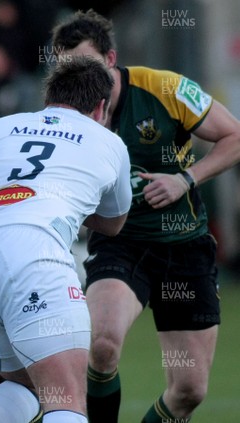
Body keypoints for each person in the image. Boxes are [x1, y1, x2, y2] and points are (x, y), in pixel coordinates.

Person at [51, 9, 240, 423]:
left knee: (189, 391)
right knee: (101, 345)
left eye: (86, 66)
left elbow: (235, 136)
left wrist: (185, 179)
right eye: (68, 69)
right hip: (121, 243)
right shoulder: (64, 114)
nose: (78, 79)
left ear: (111, 60)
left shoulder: (165, 88)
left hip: (185, 246)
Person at [0, 56, 132, 423]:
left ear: (49, 97)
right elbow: (113, 223)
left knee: (27, 385)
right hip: (33, 257)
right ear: (100, 106)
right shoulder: (109, 142)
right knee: (67, 398)